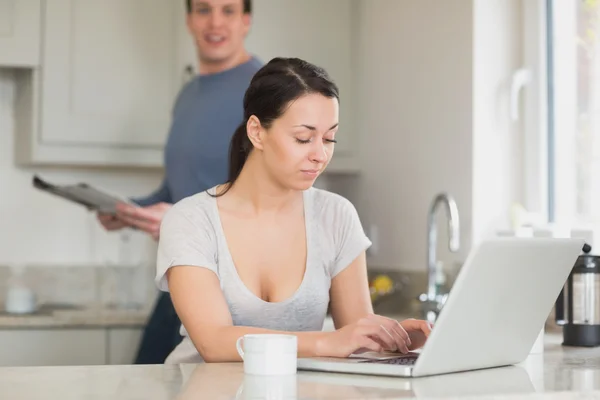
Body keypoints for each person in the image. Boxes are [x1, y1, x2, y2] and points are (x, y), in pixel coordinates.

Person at [156, 57, 432, 364]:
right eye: (303, 138)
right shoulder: (191, 220)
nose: (320, 155)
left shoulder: (336, 216)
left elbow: (354, 335)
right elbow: (214, 342)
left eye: (329, 139)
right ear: (257, 132)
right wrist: (329, 341)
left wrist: (389, 339)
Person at [96, 0, 263, 364]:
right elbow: (176, 190)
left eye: (228, 10)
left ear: (246, 21)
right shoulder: (188, 95)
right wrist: (129, 209)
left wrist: (177, 219)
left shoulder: (265, 92)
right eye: (203, 9)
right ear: (189, 20)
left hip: (231, 289)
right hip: (179, 276)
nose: (214, 22)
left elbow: (269, 199)